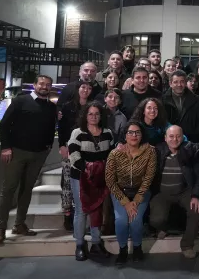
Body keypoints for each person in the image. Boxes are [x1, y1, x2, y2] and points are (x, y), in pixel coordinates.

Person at [0, 75, 58, 245]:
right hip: (17, 152)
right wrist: (5, 148)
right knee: (8, 189)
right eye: (41, 83)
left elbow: (51, 128)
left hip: (39, 154)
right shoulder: (21, 101)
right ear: (35, 85)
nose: (44, 87)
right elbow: (4, 125)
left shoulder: (51, 107)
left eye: (48, 85)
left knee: (27, 190)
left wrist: (48, 147)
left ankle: (19, 224)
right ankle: (0, 229)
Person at [149, 125, 199, 259]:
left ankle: (187, 245)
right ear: (165, 138)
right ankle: (166, 228)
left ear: (183, 137)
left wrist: (196, 195)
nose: (174, 139)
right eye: (171, 136)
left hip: (184, 192)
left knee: (196, 211)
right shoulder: (157, 151)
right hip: (162, 193)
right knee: (156, 220)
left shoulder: (190, 151)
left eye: (178, 136)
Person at [68, 102, 114, 260]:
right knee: (81, 210)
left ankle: (96, 243)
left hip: (100, 177)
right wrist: (88, 169)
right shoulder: (77, 133)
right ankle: (80, 245)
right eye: (90, 114)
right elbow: (74, 155)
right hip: (80, 176)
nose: (94, 117)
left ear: (101, 116)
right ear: (85, 116)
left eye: (97, 114)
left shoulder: (107, 132)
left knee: (97, 209)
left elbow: (111, 155)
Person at [106, 122, 156, 264]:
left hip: (141, 192)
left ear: (142, 135)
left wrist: (137, 199)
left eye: (137, 132)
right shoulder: (115, 153)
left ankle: (137, 248)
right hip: (120, 192)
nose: (134, 135)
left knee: (135, 220)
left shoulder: (150, 152)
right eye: (130, 132)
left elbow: (148, 178)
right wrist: (126, 203)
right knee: (121, 221)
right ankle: (122, 250)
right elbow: (110, 180)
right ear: (125, 135)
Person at [58, 81, 94, 230]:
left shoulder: (93, 107)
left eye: (89, 88)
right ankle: (67, 214)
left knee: (85, 181)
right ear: (78, 89)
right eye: (83, 87)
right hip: (69, 147)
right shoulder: (67, 107)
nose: (86, 90)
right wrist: (62, 145)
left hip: (87, 148)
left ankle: (83, 212)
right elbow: (62, 128)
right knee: (68, 181)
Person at [163, 71, 199, 144]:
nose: (179, 85)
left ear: (185, 83)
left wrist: (195, 139)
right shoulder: (163, 100)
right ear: (170, 83)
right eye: (175, 82)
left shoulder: (196, 100)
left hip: (191, 142)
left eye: (182, 82)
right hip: (169, 142)